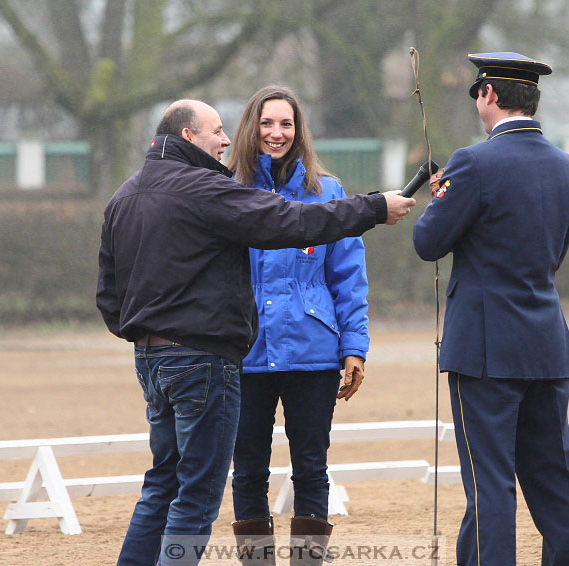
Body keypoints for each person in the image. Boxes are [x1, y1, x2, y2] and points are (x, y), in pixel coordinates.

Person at [97, 99, 415, 566]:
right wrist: (373, 207)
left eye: (286, 123)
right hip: (210, 359)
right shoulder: (211, 189)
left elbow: (109, 293)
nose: (224, 140)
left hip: (156, 360)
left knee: (163, 483)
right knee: (201, 493)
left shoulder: (124, 195)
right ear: (188, 137)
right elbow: (291, 221)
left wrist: (146, 336)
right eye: (217, 131)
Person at [412, 52, 569, 566]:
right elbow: (554, 252)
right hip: (546, 341)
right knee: (556, 480)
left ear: (488, 94)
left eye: (477, 94)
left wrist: (440, 198)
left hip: (486, 348)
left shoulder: (473, 162)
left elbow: (429, 242)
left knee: (490, 486)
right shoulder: (565, 165)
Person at [225, 85, 366, 565]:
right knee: (247, 470)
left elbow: (348, 278)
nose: (276, 133)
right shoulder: (227, 191)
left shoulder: (327, 192)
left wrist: (355, 347)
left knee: (311, 468)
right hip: (244, 351)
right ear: (251, 128)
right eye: (266, 123)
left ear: (298, 130)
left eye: (285, 124)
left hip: (313, 351)